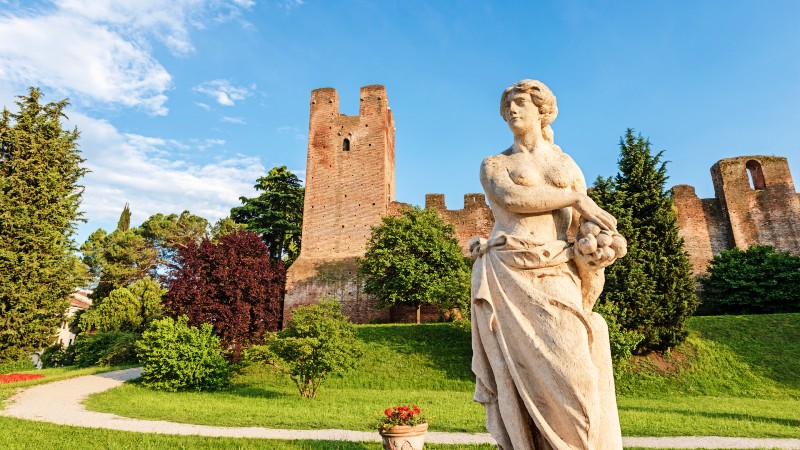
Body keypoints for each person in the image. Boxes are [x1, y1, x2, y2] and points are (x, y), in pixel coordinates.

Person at [470, 79, 626, 450]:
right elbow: (512, 198)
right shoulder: (495, 164)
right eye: (508, 105)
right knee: (514, 376)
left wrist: (597, 253)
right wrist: (576, 198)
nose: (513, 110)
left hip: (556, 268)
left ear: (543, 111)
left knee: (577, 372)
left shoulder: (565, 164)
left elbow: (584, 228)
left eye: (521, 103)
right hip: (506, 270)